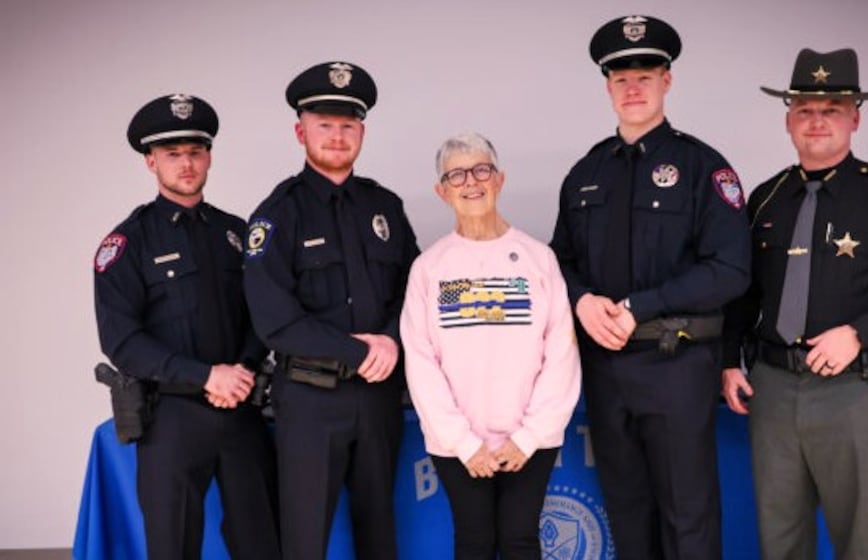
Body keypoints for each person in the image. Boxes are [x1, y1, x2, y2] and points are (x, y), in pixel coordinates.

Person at [721, 48, 868, 559]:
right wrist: (726, 361)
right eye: (805, 109)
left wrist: (858, 333)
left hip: (856, 393)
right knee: (779, 538)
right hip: (774, 390)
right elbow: (745, 292)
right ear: (788, 120)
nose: (817, 121)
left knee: (858, 540)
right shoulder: (766, 198)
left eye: (831, 108)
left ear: (855, 117)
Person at [549, 15, 751, 560]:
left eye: (645, 74)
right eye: (620, 78)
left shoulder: (704, 168)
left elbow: (731, 270)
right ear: (607, 86)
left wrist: (641, 306)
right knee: (627, 512)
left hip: (676, 365)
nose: (633, 88)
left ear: (668, 81)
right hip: (606, 367)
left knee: (688, 516)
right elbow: (558, 262)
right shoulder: (585, 172)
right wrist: (581, 300)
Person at [243, 61, 420, 559]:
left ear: (362, 131)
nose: (337, 136)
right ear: (301, 132)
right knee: (305, 537)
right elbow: (275, 319)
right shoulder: (277, 214)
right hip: (310, 399)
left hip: (379, 396)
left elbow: (414, 288)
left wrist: (389, 338)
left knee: (380, 531)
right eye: (325, 125)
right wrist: (358, 350)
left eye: (348, 125)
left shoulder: (384, 206)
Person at [93, 94, 280, 560]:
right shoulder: (128, 243)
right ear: (150, 161)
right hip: (172, 419)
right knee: (173, 546)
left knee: (262, 543)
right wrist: (205, 376)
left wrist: (242, 369)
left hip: (241, 411)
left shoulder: (237, 233)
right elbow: (123, 341)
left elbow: (264, 314)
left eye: (195, 152)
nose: (186, 163)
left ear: (209, 156)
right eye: (173, 154)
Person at [401, 133, 582, 559]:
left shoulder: (539, 258)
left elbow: (561, 352)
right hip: (457, 444)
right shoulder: (429, 268)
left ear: (499, 179)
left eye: (481, 170)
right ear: (441, 191)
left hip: (530, 440)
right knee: (475, 541)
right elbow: (421, 362)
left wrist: (529, 436)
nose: (471, 182)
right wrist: (464, 443)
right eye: (457, 174)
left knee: (520, 539)